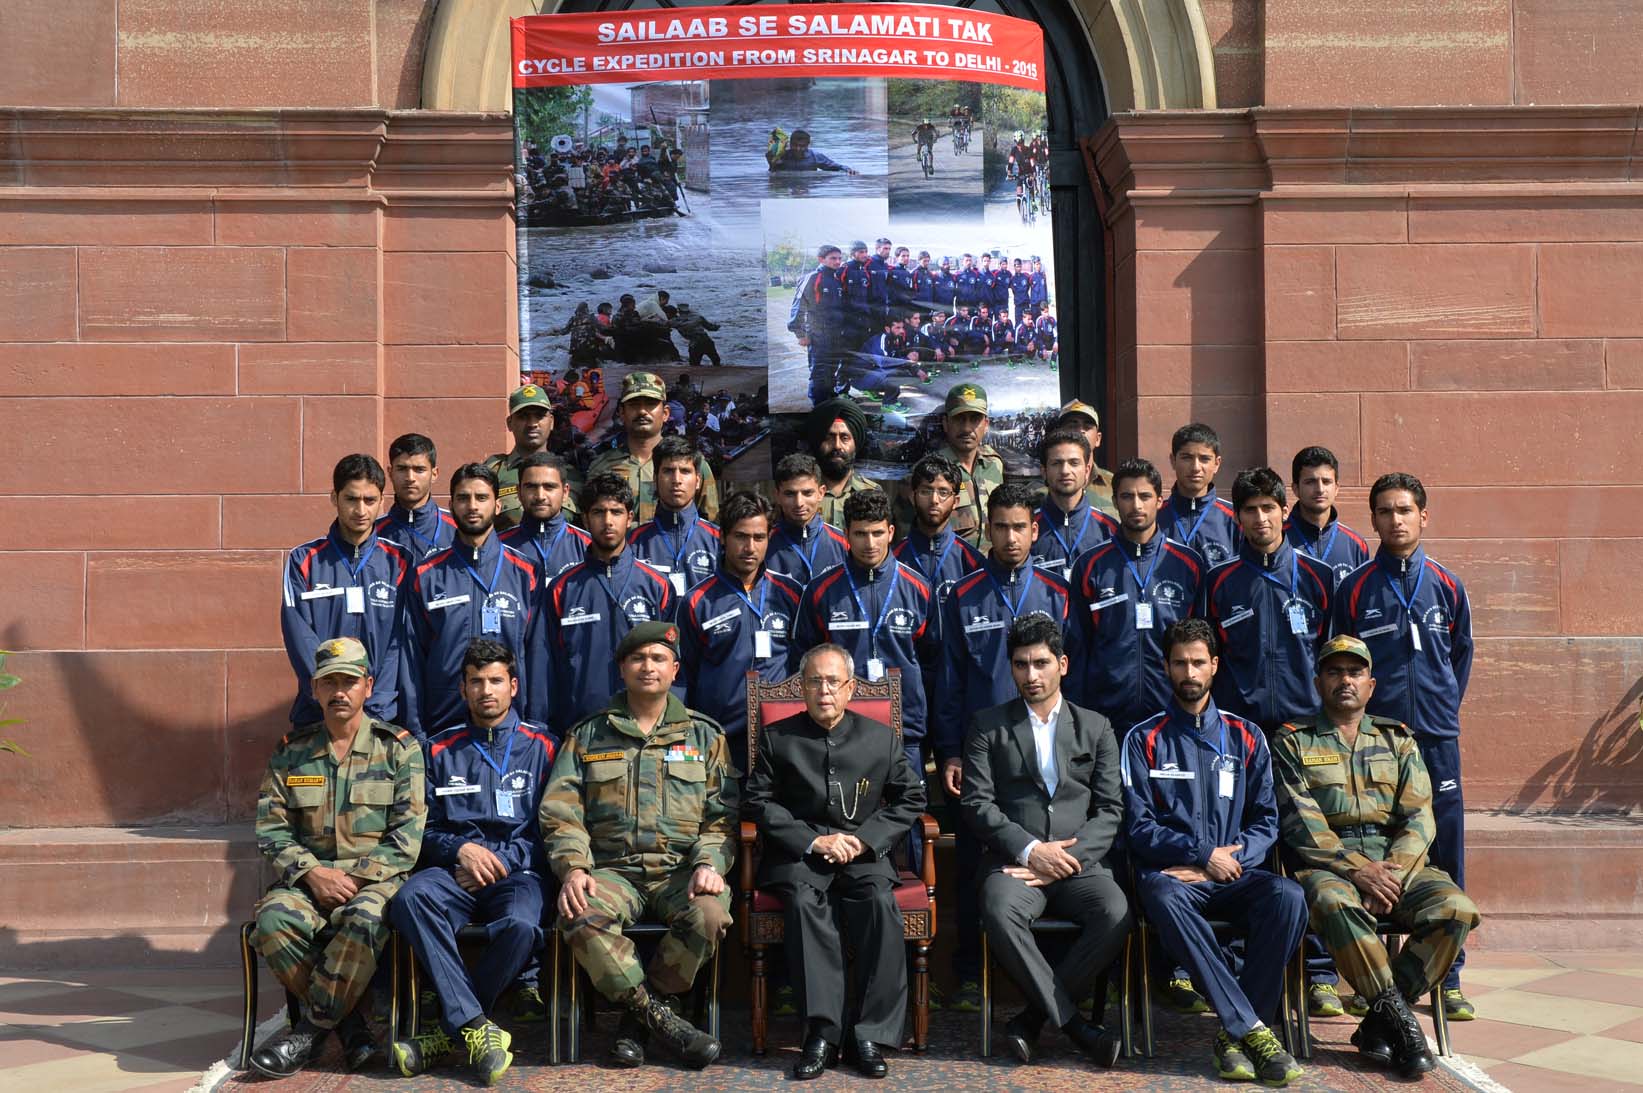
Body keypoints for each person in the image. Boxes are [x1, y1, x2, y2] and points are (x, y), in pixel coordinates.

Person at [1272, 635, 1482, 1078]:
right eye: (1334, 672)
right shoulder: (1293, 742)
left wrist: (1393, 873)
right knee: (1333, 903)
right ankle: (1402, 1024)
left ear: (1371, 684)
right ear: (1318, 682)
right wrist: (1359, 871)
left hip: (1398, 865)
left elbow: (1420, 817)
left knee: (1456, 909)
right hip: (1331, 866)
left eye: (1354, 672)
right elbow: (1302, 825)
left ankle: (1379, 1021)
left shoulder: (1399, 740)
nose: (1344, 680)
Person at [1121, 619, 1308, 1087]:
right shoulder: (1142, 739)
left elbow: (1267, 821)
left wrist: (1233, 860)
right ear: (1166, 667)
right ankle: (1253, 1030)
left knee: (1289, 897)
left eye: (1198, 662)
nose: (1190, 671)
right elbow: (1138, 827)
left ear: (1215, 666)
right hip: (1175, 879)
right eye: (1180, 662)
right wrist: (1202, 854)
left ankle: (1234, 1032)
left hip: (1235, 875)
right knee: (1160, 895)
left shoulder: (1246, 736)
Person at [540, 622, 734, 1070]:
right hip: (611, 871)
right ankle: (660, 1016)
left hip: (679, 871)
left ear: (675, 669)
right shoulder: (588, 735)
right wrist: (574, 868)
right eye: (638, 659)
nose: (648, 667)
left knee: (709, 913)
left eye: (658, 658)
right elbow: (561, 810)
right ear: (622, 668)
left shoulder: (705, 736)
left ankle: (638, 1020)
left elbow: (723, 815)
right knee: (578, 912)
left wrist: (709, 863)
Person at [744, 644, 926, 1080]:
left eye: (833, 682)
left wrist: (863, 841)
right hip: (801, 858)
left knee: (880, 904)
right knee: (806, 907)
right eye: (814, 681)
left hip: (863, 856)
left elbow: (911, 797)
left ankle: (870, 1034)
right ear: (802, 689)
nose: (824, 690)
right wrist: (813, 841)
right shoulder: (778, 738)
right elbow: (757, 801)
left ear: (850, 689)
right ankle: (822, 1034)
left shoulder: (880, 738)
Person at [1331, 472, 1475, 1019]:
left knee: (1445, 850)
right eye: (1386, 511)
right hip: (1376, 742)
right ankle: (1365, 972)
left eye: (1406, 510)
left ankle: (1450, 975)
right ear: (1373, 520)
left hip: (1436, 737)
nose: (1396, 520)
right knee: (1371, 844)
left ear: (1424, 516)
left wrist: (1437, 708)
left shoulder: (1447, 584)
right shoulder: (1357, 587)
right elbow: (1340, 662)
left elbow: (1459, 656)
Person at [249, 638, 426, 1079]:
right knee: (273, 922)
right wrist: (313, 875)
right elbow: (271, 828)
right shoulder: (292, 751)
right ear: (314, 689)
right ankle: (350, 1028)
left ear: (368, 685)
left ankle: (308, 1031)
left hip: (374, 884)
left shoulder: (399, 749)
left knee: (365, 918)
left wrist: (357, 881)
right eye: (330, 682)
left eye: (349, 681)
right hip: (309, 882)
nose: (339, 692)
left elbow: (407, 835)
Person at [962, 615, 1129, 1068]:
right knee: (998, 909)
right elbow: (978, 805)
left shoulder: (1096, 727)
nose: (1031, 675)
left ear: (1063, 664)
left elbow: (1111, 810)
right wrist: (1032, 851)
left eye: (1040, 663)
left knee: (1114, 911)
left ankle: (1033, 1020)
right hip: (1013, 864)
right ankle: (1076, 1027)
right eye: (1020, 665)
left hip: (1080, 865)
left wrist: (1063, 857)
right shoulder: (987, 725)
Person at [388, 640, 557, 1083]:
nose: (487, 690)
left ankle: (451, 1030)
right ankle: (477, 1027)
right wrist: (458, 850)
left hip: (517, 875)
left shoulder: (545, 747)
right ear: (462, 689)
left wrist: (501, 859)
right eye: (476, 681)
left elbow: (556, 832)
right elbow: (416, 831)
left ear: (513, 686)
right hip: (454, 873)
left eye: (496, 680)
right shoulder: (437, 750)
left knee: (521, 926)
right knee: (409, 898)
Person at [934, 482, 1071, 1010]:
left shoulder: (1060, 592)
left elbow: (1072, 674)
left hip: (1048, 750)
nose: (1011, 537)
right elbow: (947, 682)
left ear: (1036, 530)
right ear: (986, 530)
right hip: (982, 755)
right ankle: (970, 973)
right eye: (1001, 527)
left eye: (1021, 527)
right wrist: (949, 751)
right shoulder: (963, 593)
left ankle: (1052, 976)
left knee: (1049, 852)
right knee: (975, 862)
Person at [794, 488, 933, 831]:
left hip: (905, 730)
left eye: (876, 532)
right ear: (846, 535)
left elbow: (933, 662)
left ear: (890, 532)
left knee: (908, 819)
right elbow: (804, 658)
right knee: (842, 816)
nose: (869, 543)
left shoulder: (919, 587)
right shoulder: (822, 590)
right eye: (859, 533)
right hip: (840, 728)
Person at [1067, 458, 1205, 733]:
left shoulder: (1188, 564)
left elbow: (1203, 641)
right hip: (1105, 713)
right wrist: (1077, 712)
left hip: (1172, 709)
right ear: (1116, 501)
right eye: (1127, 496)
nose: (1137, 506)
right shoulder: (1091, 565)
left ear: (1159, 501)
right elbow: (1077, 645)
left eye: (1145, 496)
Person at [401, 464, 538, 740]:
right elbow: (411, 657)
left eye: (482, 497)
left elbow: (538, 654)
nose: (472, 506)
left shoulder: (526, 572)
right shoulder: (426, 575)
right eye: (463, 498)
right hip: (442, 721)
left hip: (510, 723)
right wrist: (414, 727)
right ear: (451, 505)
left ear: (497, 506)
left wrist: (537, 720)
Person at [532, 474, 675, 737]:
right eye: (598, 512)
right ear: (585, 519)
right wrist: (543, 728)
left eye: (616, 512)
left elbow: (676, 663)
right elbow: (544, 666)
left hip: (647, 729)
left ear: (629, 518)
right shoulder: (563, 589)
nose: (608, 521)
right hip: (582, 728)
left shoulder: (657, 586)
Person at [676, 492, 804, 774]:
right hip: (720, 740)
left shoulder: (791, 593)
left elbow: (801, 663)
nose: (750, 547)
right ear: (722, 538)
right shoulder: (698, 601)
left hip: (781, 737)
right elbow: (683, 674)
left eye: (759, 538)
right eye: (741, 537)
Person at [282, 454, 412, 728]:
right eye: (351, 499)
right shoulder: (304, 560)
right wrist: (326, 694)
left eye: (370, 500)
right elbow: (299, 635)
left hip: (380, 715)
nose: (361, 510)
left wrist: (377, 702)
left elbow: (399, 642)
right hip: (318, 713)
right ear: (334, 498)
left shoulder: (400, 562)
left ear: (382, 501)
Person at [1199, 468, 1333, 733]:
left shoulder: (1318, 575)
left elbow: (1330, 651)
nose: (1260, 518)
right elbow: (1209, 655)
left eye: (1268, 507)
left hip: (1306, 724)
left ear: (1284, 511)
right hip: (1239, 724)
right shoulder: (1218, 580)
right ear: (1237, 517)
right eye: (1250, 510)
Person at [588, 371, 720, 523]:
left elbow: (711, 525)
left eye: (651, 404)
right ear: (622, 413)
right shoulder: (601, 468)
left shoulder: (691, 464)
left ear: (665, 413)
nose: (642, 411)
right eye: (634, 405)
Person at [891, 453, 986, 618]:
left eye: (943, 492)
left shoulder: (972, 561)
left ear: (955, 501)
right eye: (926, 491)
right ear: (913, 497)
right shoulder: (893, 559)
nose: (934, 500)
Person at [629, 436, 722, 594]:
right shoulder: (633, 542)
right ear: (655, 479)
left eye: (685, 471)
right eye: (668, 471)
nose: (676, 480)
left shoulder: (719, 540)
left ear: (698, 480)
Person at [486, 383, 577, 530]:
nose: (532, 424)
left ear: (552, 422)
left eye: (539, 416)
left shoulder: (573, 475)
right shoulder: (493, 472)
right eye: (523, 417)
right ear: (510, 423)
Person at [1031, 430, 1117, 578]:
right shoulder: (1027, 528)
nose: (1065, 471)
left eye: (1074, 463)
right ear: (1044, 471)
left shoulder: (1109, 529)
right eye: (1056, 463)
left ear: (1087, 470)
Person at [496, 452, 591, 585]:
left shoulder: (589, 546)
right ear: (519, 492)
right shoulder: (498, 546)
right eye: (531, 487)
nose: (540, 496)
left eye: (549, 487)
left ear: (565, 492)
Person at [1285, 446, 1369, 588]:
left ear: (1336, 488)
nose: (1320, 489)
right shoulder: (1278, 539)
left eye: (1326, 481)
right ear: (1295, 489)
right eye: (1310, 482)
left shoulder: (1355, 544)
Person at [766, 453, 851, 586]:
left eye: (807, 493)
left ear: (821, 493)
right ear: (777, 495)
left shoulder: (843, 543)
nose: (799, 502)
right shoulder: (764, 544)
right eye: (790, 494)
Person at [1163, 422, 1241, 565]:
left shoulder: (1234, 518)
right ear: (1173, 461)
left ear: (1216, 464)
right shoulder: (1155, 517)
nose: (1195, 467)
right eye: (1187, 457)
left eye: (1204, 459)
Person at [804, 397, 881, 528]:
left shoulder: (871, 492)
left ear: (856, 443)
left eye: (845, 438)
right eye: (829, 438)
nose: (837, 446)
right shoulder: (802, 494)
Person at [377, 433, 456, 560]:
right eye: (402, 469)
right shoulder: (373, 532)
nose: (410, 478)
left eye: (419, 469)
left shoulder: (457, 529)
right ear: (390, 473)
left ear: (434, 474)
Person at [789, 245, 849, 405]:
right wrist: (800, 334)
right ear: (821, 259)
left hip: (836, 335)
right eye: (833, 258)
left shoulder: (836, 280)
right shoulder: (813, 278)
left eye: (839, 258)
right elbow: (798, 306)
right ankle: (818, 404)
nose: (837, 261)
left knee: (832, 368)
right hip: (818, 335)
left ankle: (830, 398)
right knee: (819, 371)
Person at [1055, 399, 1117, 517]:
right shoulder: (1045, 489)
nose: (1080, 430)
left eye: (1087, 426)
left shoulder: (1115, 485)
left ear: (1098, 439)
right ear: (1059, 434)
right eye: (1073, 425)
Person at [768, 129, 858, 174]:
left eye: (802, 146)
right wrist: (771, 160)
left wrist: (848, 170)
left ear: (808, 145)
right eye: (795, 145)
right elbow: (772, 172)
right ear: (790, 144)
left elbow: (837, 167)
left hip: (808, 184)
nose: (798, 149)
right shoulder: (782, 156)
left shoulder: (815, 157)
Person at [671, 303, 723, 368]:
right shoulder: (698, 317)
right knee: (716, 362)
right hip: (707, 341)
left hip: (695, 344)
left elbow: (664, 324)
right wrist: (717, 326)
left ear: (678, 311)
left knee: (694, 365)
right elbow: (711, 328)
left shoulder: (675, 321)